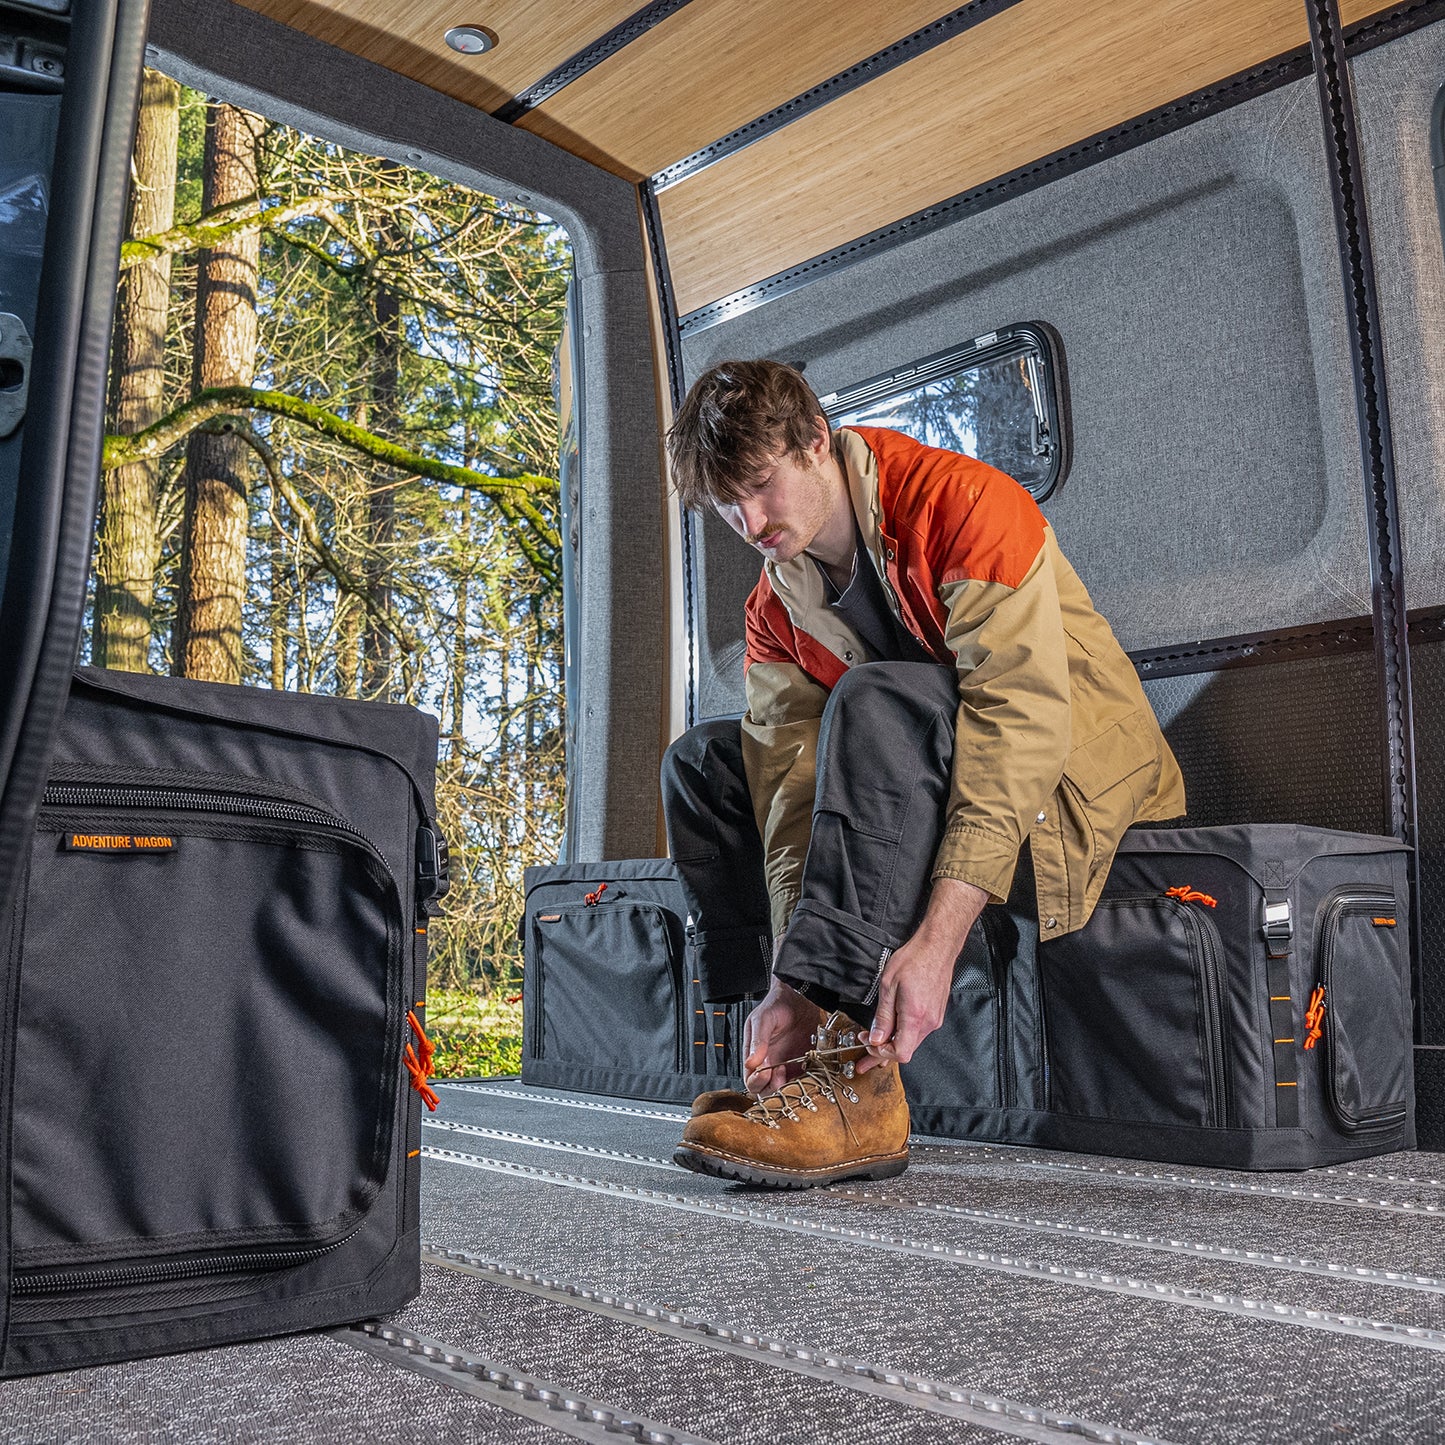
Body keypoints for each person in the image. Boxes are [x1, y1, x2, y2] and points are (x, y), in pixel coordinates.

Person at [660, 359, 1185, 1188]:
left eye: (760, 484)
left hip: (1063, 783)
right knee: (704, 766)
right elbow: (793, 798)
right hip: (928, 779)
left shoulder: (963, 504)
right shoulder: (774, 607)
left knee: (874, 699)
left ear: (813, 442)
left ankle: (859, 1090)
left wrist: (937, 942)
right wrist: (790, 978)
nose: (749, 518)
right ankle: (792, 1046)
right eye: (727, 501)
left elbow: (1018, 725)